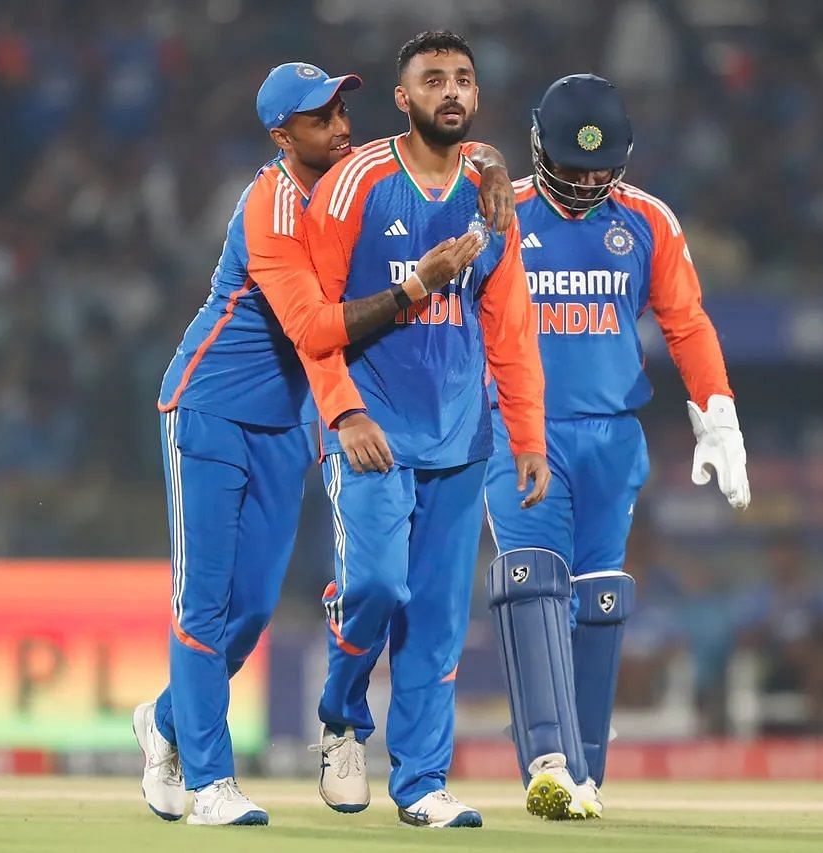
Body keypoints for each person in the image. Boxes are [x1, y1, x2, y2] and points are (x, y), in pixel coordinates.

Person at [132, 60, 513, 827]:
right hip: (209, 408)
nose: (342, 128)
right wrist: (414, 288)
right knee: (205, 602)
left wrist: (492, 160)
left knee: (251, 611)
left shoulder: (350, 181)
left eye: (343, 110)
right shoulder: (272, 204)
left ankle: (165, 720)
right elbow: (311, 328)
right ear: (282, 135)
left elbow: (439, 152)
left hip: (288, 424)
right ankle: (209, 781)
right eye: (321, 118)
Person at [481, 73, 749, 819]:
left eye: (603, 171)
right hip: (521, 429)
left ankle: (586, 774)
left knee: (598, 600)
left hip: (611, 438)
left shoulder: (649, 222)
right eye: (573, 170)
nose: (588, 183)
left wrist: (718, 418)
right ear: (539, 151)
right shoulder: (502, 218)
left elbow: (687, 323)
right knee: (533, 583)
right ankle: (547, 760)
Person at [301, 31, 549, 829]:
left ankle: (420, 782)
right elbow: (313, 321)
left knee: (437, 623)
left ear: (476, 98)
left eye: (463, 79)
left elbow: (508, 322)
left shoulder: (489, 191)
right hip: (370, 428)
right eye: (432, 79)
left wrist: (527, 434)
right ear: (402, 99)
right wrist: (343, 410)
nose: (451, 90)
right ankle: (341, 718)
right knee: (375, 587)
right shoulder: (357, 183)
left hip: (459, 437)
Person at [736, 531, 823, 736]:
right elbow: (744, 640)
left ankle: (816, 723)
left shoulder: (818, 592)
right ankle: (819, 731)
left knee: (816, 659)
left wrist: (814, 618)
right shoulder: (759, 597)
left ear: (799, 556)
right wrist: (771, 628)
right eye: (777, 554)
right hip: (773, 666)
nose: (783, 561)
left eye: (788, 554)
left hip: (814, 659)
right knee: (816, 664)